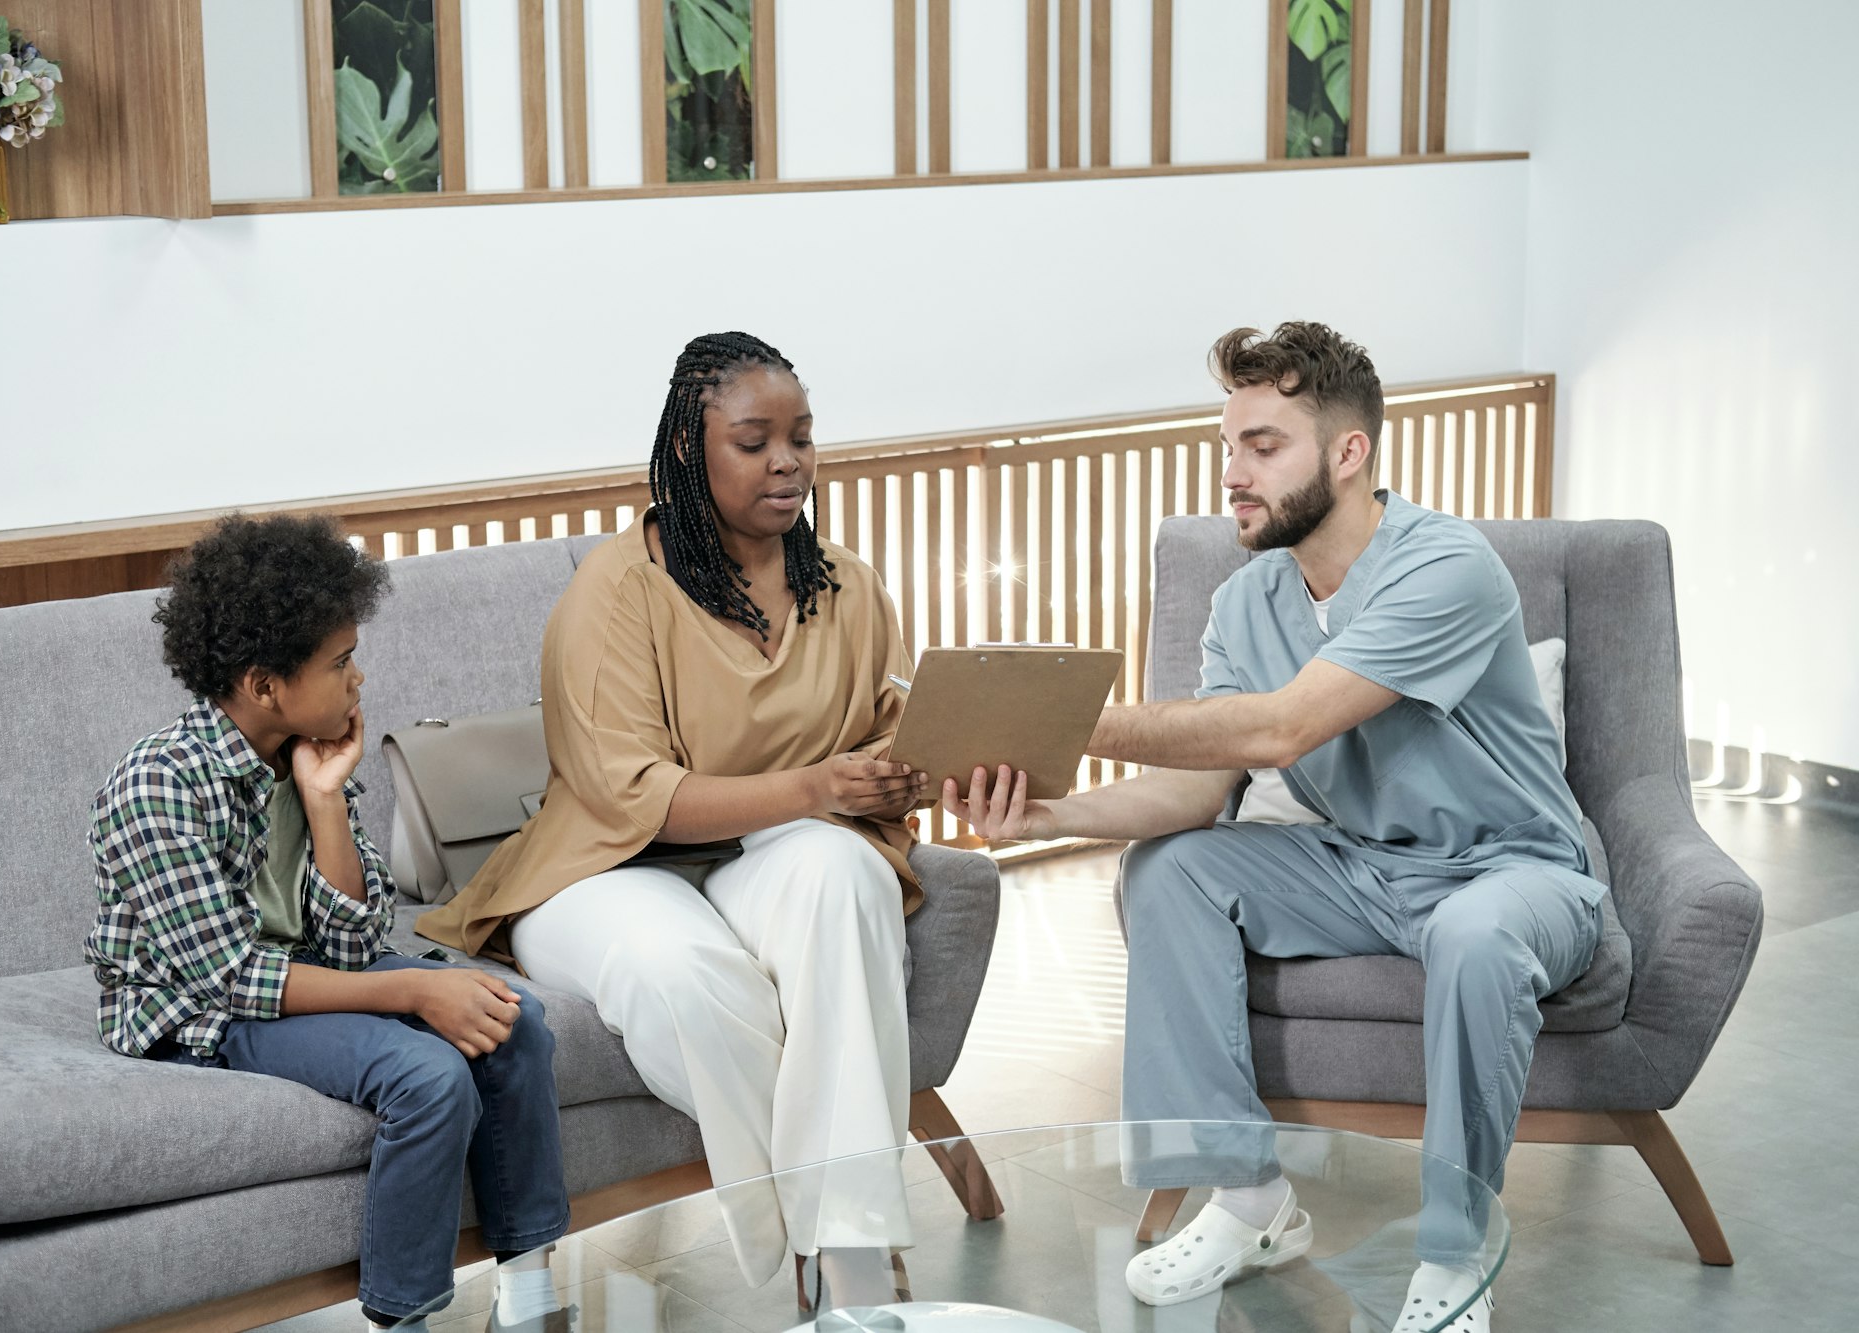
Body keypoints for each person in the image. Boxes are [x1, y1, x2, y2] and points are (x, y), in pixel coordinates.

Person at [943, 322, 1602, 1331]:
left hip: (1510, 872)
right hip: (1357, 868)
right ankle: (1248, 1198)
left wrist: (1043, 718)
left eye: (1262, 446)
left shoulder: (1447, 567)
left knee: (1472, 940)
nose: (1232, 474)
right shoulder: (1245, 598)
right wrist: (1047, 812)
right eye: (1226, 447)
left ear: (1348, 453)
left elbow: (1283, 721)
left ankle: (1453, 1248)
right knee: (1169, 868)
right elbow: (1198, 790)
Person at [416, 332, 926, 1313]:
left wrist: (910, 776)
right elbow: (628, 794)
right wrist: (819, 787)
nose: (787, 461)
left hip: (768, 852)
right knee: (683, 972)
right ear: (690, 452)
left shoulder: (847, 588)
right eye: (754, 440)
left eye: (801, 437)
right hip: (602, 866)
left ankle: (847, 1257)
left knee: (848, 878)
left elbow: (887, 733)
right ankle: (831, 1242)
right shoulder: (615, 591)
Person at [86, 514, 570, 1332]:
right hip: (206, 1013)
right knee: (427, 1075)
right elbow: (234, 978)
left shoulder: (305, 753)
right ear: (264, 682)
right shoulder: (156, 784)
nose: (358, 678)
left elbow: (350, 938)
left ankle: (530, 1298)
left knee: (513, 1022)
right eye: (339, 661)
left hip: (305, 969)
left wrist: (322, 799)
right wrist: (416, 986)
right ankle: (403, 1317)